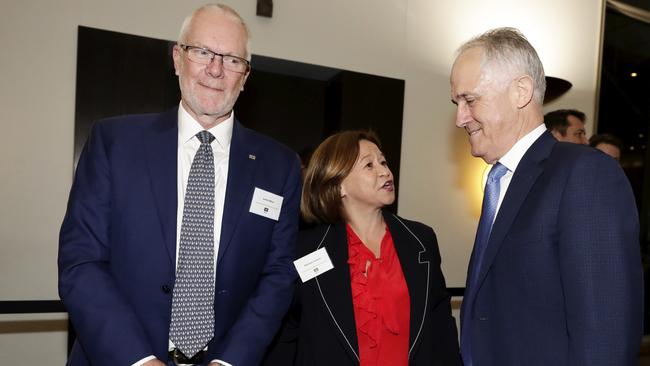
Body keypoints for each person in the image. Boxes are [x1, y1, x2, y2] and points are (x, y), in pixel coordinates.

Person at [58, 4, 301, 366]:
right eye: (202, 52)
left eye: (232, 59)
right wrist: (139, 360)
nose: (215, 69)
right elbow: (82, 263)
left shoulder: (279, 166)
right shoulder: (114, 143)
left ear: (246, 75)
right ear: (177, 57)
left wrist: (231, 360)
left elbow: (278, 275)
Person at [450, 27, 642, 365]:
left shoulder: (585, 174)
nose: (459, 118)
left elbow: (605, 335)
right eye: (457, 103)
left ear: (520, 91)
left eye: (470, 99)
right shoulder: (500, 181)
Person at [264, 130, 461, 365]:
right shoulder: (305, 250)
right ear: (338, 186)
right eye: (369, 165)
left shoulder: (420, 239)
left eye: (383, 161)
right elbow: (286, 333)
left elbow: (440, 326)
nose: (385, 171)